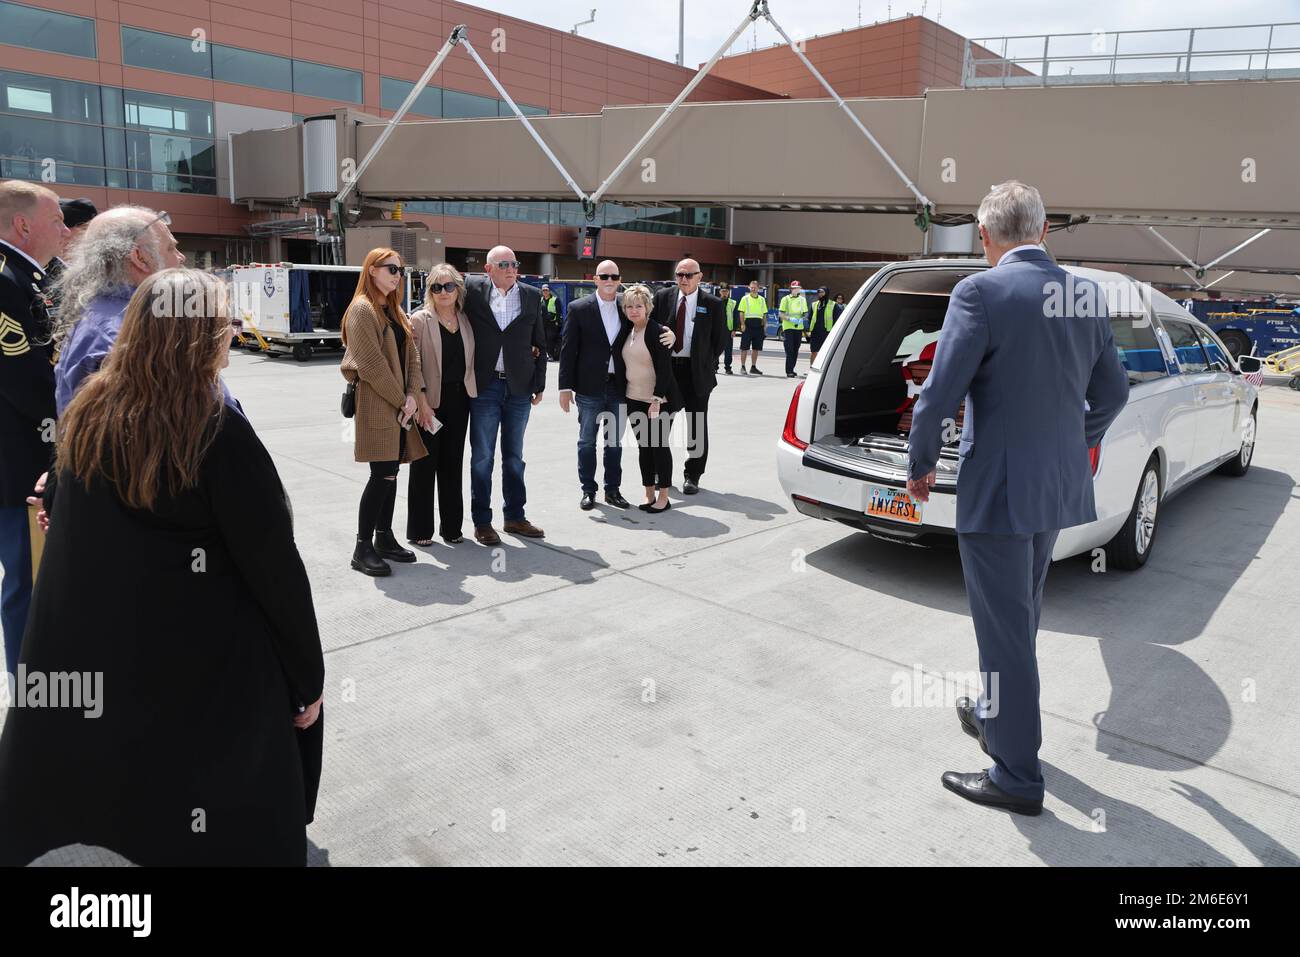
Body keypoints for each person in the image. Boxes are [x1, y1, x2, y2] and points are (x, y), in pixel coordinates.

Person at [0, 268, 325, 866]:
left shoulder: (89, 412)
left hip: (116, 675)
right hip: (208, 676)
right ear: (196, 334)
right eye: (223, 321)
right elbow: (274, 568)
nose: (231, 331)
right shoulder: (216, 431)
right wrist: (307, 680)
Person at [906, 181, 1129, 816]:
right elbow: (1112, 396)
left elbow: (939, 393)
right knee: (1019, 617)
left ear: (985, 238)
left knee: (1003, 634)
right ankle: (993, 715)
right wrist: (1064, 441)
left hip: (1000, 490)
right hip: (1055, 487)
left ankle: (1015, 776)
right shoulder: (1084, 295)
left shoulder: (980, 291)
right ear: (1044, 231)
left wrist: (920, 465)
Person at [0, 181, 66, 679]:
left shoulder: (30, 276)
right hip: (22, 464)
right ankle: (31, 691)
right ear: (24, 225)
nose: (64, 230)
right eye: (56, 220)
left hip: (32, 455)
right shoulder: (6, 280)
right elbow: (27, 382)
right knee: (27, 580)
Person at [558, 260, 675, 511]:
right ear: (595, 279)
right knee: (587, 441)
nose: (610, 280)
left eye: (614, 276)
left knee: (614, 443)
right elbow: (568, 350)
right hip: (588, 388)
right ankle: (588, 490)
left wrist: (671, 334)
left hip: (619, 388)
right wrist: (564, 387)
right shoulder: (578, 308)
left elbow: (651, 322)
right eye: (604, 276)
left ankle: (613, 490)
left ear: (619, 279)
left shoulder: (627, 304)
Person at [52, 206, 189, 416]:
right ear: (140, 258)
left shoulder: (116, 316)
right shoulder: (122, 335)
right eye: (171, 248)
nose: (181, 258)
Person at [340, 248, 427, 577]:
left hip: (398, 402)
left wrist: (412, 395)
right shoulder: (362, 310)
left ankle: (384, 537)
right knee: (382, 474)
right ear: (372, 270)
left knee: (391, 472)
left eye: (401, 270)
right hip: (377, 402)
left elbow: (413, 355)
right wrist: (401, 400)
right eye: (391, 268)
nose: (397, 275)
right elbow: (372, 366)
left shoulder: (393, 309)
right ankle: (362, 548)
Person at [462, 246, 547, 544]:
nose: (512, 269)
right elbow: (440, 303)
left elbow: (540, 342)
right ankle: (482, 522)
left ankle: (515, 517)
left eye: (515, 264)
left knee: (514, 457)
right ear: (488, 269)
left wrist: (539, 384)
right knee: (482, 457)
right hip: (484, 387)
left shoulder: (531, 295)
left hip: (519, 388)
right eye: (504, 264)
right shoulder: (471, 290)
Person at [407, 263, 475, 546]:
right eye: (437, 287)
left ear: (457, 289)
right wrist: (421, 402)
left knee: (452, 464)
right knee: (424, 465)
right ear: (430, 291)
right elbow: (413, 364)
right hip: (430, 403)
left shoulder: (466, 320)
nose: (443, 292)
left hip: (460, 401)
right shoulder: (420, 320)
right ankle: (421, 530)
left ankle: (452, 528)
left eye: (448, 286)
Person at [651, 258, 727, 494]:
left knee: (696, 426)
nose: (684, 279)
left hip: (697, 374)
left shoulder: (712, 304)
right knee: (661, 425)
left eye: (689, 275)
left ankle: (692, 476)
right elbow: (651, 330)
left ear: (700, 277)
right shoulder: (663, 298)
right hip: (668, 372)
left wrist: (705, 363)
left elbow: (720, 339)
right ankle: (660, 473)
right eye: (679, 274)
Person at [613, 284, 681, 512]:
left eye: (638, 306)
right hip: (633, 397)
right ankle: (648, 492)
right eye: (629, 306)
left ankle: (664, 496)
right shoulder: (627, 330)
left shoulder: (658, 331)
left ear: (648, 308)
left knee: (659, 446)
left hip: (658, 400)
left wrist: (656, 399)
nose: (634, 310)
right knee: (644, 447)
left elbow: (665, 369)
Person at [42, 197, 96, 316]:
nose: (92, 236)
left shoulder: (94, 270)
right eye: (85, 229)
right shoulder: (41, 270)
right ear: (65, 230)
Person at [736, 279, 767, 375]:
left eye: (755, 287)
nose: (753, 289)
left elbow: (764, 314)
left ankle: (753, 367)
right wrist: (742, 324)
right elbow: (741, 312)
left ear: (758, 288)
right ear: (749, 288)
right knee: (744, 347)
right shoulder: (745, 298)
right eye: (751, 287)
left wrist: (764, 326)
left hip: (759, 325)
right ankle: (743, 366)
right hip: (748, 324)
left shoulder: (762, 299)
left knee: (756, 348)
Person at [779, 279, 809, 378]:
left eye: (798, 288)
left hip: (798, 327)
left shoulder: (802, 299)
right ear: (791, 289)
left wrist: (802, 319)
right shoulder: (785, 299)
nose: (796, 290)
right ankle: (789, 371)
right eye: (794, 288)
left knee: (796, 349)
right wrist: (790, 319)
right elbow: (781, 314)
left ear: (800, 289)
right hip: (788, 327)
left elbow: (805, 313)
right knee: (789, 349)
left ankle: (792, 369)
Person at [808, 286, 837, 364]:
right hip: (815, 332)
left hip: (827, 333)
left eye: (822, 292)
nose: (820, 294)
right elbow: (809, 318)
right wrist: (809, 330)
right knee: (814, 351)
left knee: (825, 353)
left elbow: (837, 319)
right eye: (819, 292)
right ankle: (811, 368)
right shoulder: (814, 304)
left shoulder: (833, 305)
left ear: (826, 293)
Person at [714, 284, 736, 375]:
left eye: (726, 291)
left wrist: (734, 329)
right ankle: (714, 367)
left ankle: (728, 368)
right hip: (717, 329)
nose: (725, 293)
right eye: (723, 291)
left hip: (728, 329)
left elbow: (735, 317)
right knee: (716, 349)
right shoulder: (715, 301)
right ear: (720, 292)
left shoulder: (733, 302)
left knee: (728, 350)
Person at [540, 283, 562, 361]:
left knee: (550, 340)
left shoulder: (555, 299)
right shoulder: (541, 300)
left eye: (546, 290)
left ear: (549, 291)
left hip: (552, 323)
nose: (545, 292)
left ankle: (551, 355)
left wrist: (557, 322)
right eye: (543, 290)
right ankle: (545, 355)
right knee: (543, 339)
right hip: (542, 323)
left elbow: (559, 312)